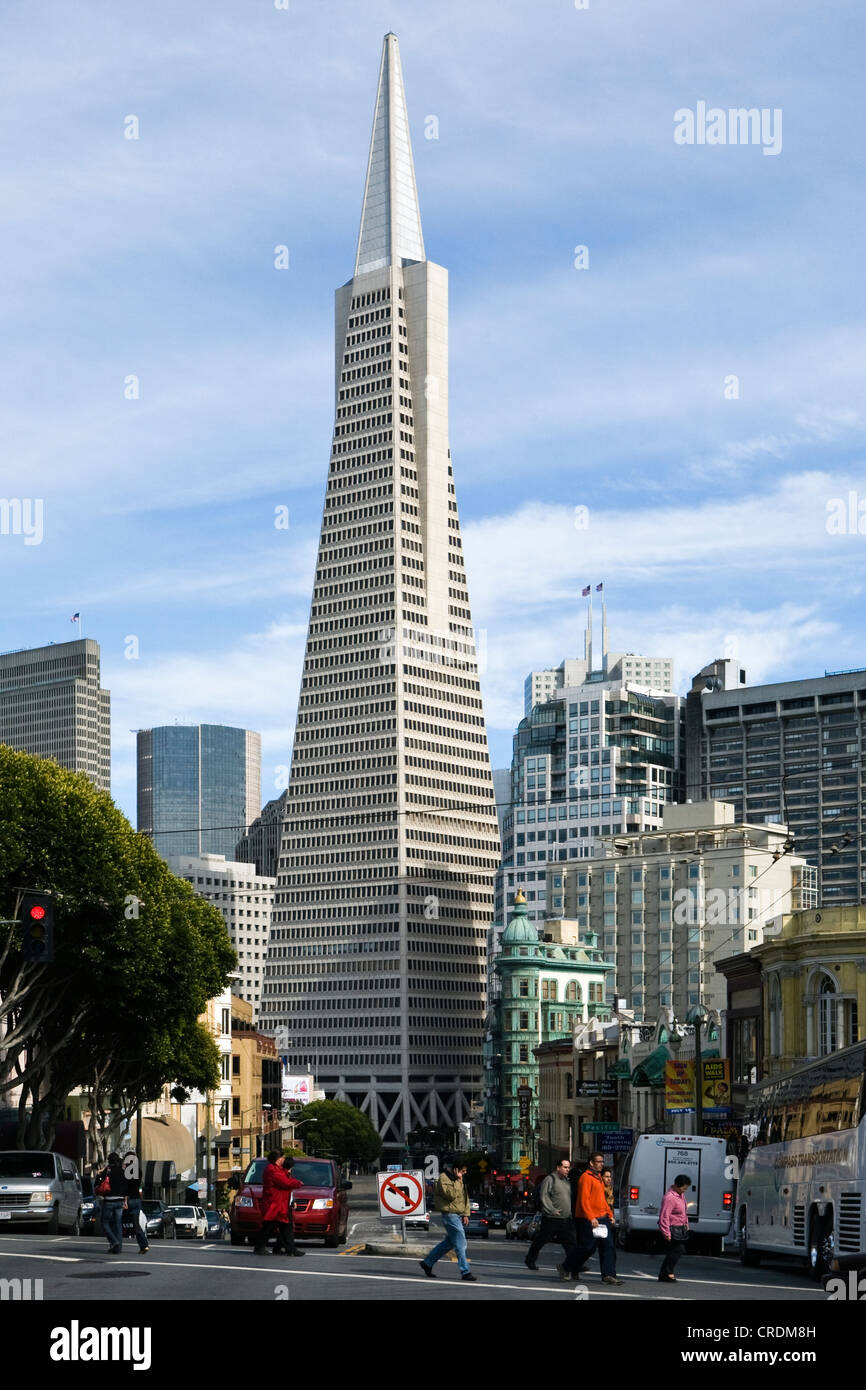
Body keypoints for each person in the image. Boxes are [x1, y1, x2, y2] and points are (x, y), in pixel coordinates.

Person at [563, 1152, 624, 1285]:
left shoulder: (599, 1178)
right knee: (588, 1247)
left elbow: (602, 1200)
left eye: (602, 1162)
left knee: (608, 1246)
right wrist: (591, 1217)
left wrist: (610, 1215)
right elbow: (584, 1200)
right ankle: (566, 1266)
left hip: (603, 1218)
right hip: (588, 1218)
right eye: (599, 1161)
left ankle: (608, 1275)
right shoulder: (586, 1177)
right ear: (591, 1163)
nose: (602, 1164)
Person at [419, 1158, 477, 1282]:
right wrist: (457, 1180)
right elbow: (451, 1195)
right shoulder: (443, 1178)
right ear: (456, 1170)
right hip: (450, 1215)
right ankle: (465, 1271)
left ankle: (427, 1263)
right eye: (463, 1170)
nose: (464, 1173)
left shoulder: (459, 1179)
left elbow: (464, 1197)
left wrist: (466, 1214)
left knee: (448, 1243)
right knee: (461, 1243)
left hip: (457, 1215)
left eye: (465, 1171)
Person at [525, 1158, 578, 1274]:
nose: (567, 1169)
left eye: (568, 1167)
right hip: (551, 1218)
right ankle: (530, 1259)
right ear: (558, 1167)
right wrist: (552, 1210)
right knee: (542, 1239)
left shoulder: (567, 1181)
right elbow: (544, 1196)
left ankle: (574, 1264)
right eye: (565, 1167)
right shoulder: (550, 1179)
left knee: (570, 1243)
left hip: (565, 1218)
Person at [255, 1152, 305, 1257]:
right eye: (283, 1157)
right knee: (274, 1226)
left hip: (278, 1203)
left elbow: (286, 1179)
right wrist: (298, 1183)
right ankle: (288, 1249)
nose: (284, 1159)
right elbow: (285, 1182)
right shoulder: (272, 1170)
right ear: (278, 1158)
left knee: (277, 1227)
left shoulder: (276, 1169)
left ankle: (287, 1248)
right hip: (274, 1203)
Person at [658, 1174, 691, 1282]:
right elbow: (664, 1216)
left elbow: (684, 1211)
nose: (684, 1190)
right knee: (677, 1250)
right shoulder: (670, 1198)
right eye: (683, 1188)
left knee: (673, 1251)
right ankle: (668, 1272)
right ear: (677, 1185)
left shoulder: (680, 1195)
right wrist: (666, 1232)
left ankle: (664, 1273)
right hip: (672, 1229)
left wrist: (686, 1223)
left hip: (680, 1228)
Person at [97, 1152, 127, 1256]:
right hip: (120, 1201)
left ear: (109, 1161)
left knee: (104, 1222)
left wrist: (99, 1173)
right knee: (118, 1224)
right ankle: (118, 1249)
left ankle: (114, 1241)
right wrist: (125, 1200)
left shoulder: (108, 1170)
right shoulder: (123, 1171)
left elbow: (99, 1182)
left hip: (109, 1200)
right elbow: (126, 1186)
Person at [122, 1152, 149, 1254]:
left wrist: (125, 1201)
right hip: (137, 1199)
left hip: (129, 1199)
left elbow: (125, 1189)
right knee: (136, 1225)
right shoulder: (139, 1171)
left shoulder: (126, 1173)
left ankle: (115, 1243)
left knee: (116, 1220)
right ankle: (144, 1245)